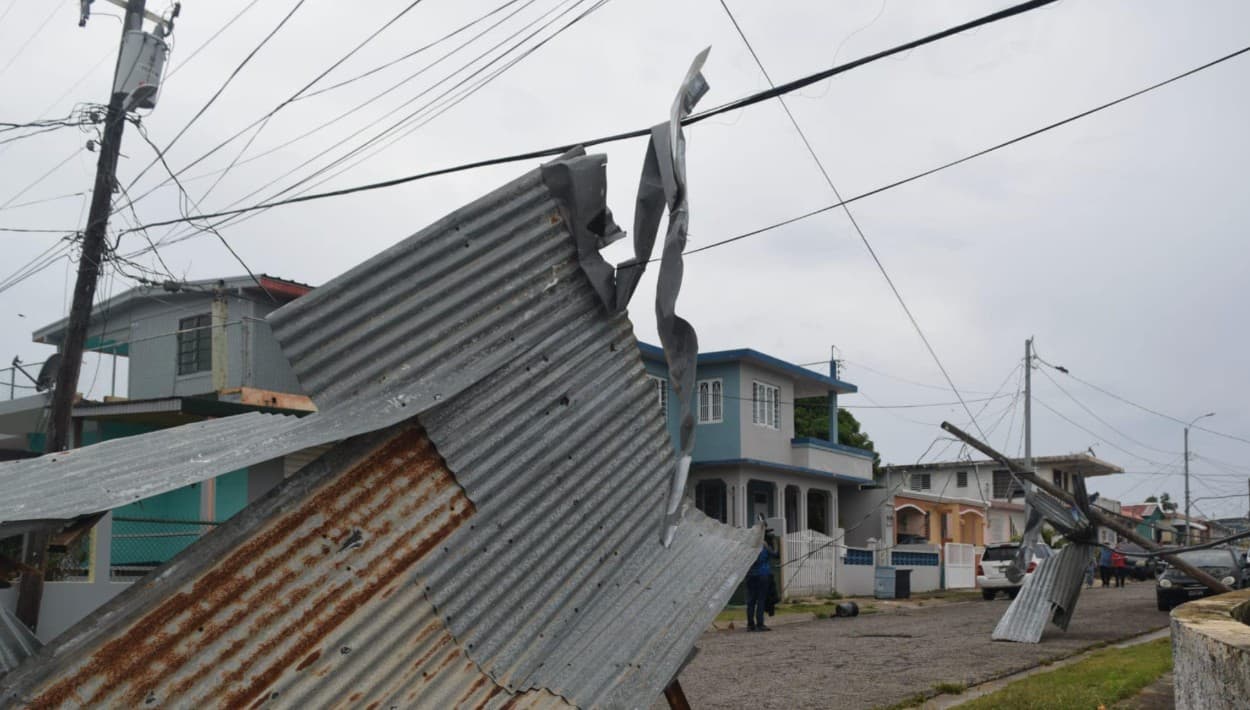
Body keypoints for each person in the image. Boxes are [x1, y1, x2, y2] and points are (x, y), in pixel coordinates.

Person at [745, 534, 776, 632]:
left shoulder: (748, 546)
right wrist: (774, 543)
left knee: (751, 601)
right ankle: (760, 624)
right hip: (763, 574)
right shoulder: (764, 545)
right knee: (761, 600)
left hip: (751, 575)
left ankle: (750, 624)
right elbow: (775, 554)